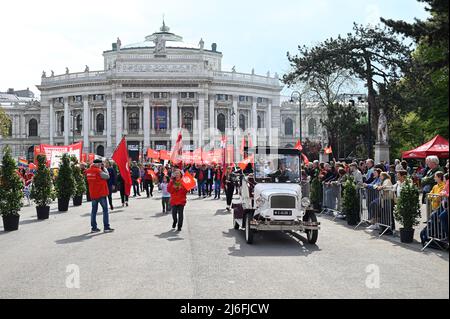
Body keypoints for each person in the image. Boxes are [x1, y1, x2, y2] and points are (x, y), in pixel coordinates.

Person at [85, 159, 114, 233]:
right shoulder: (99, 171)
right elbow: (107, 176)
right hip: (101, 193)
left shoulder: (88, 171)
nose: (102, 165)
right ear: (98, 164)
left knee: (93, 211)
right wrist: (104, 169)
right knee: (105, 210)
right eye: (101, 164)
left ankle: (94, 228)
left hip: (93, 194)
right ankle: (106, 227)